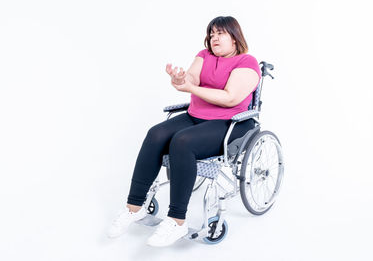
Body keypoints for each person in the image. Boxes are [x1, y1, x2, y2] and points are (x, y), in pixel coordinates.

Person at [107, 16, 261, 247]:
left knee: (182, 141)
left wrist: (190, 87)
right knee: (155, 134)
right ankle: (133, 207)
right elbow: (190, 79)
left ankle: (177, 221)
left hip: (232, 122)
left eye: (220, 33)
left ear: (235, 37)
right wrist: (181, 79)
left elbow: (230, 98)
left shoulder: (246, 62)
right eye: (211, 33)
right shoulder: (204, 55)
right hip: (196, 115)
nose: (214, 37)